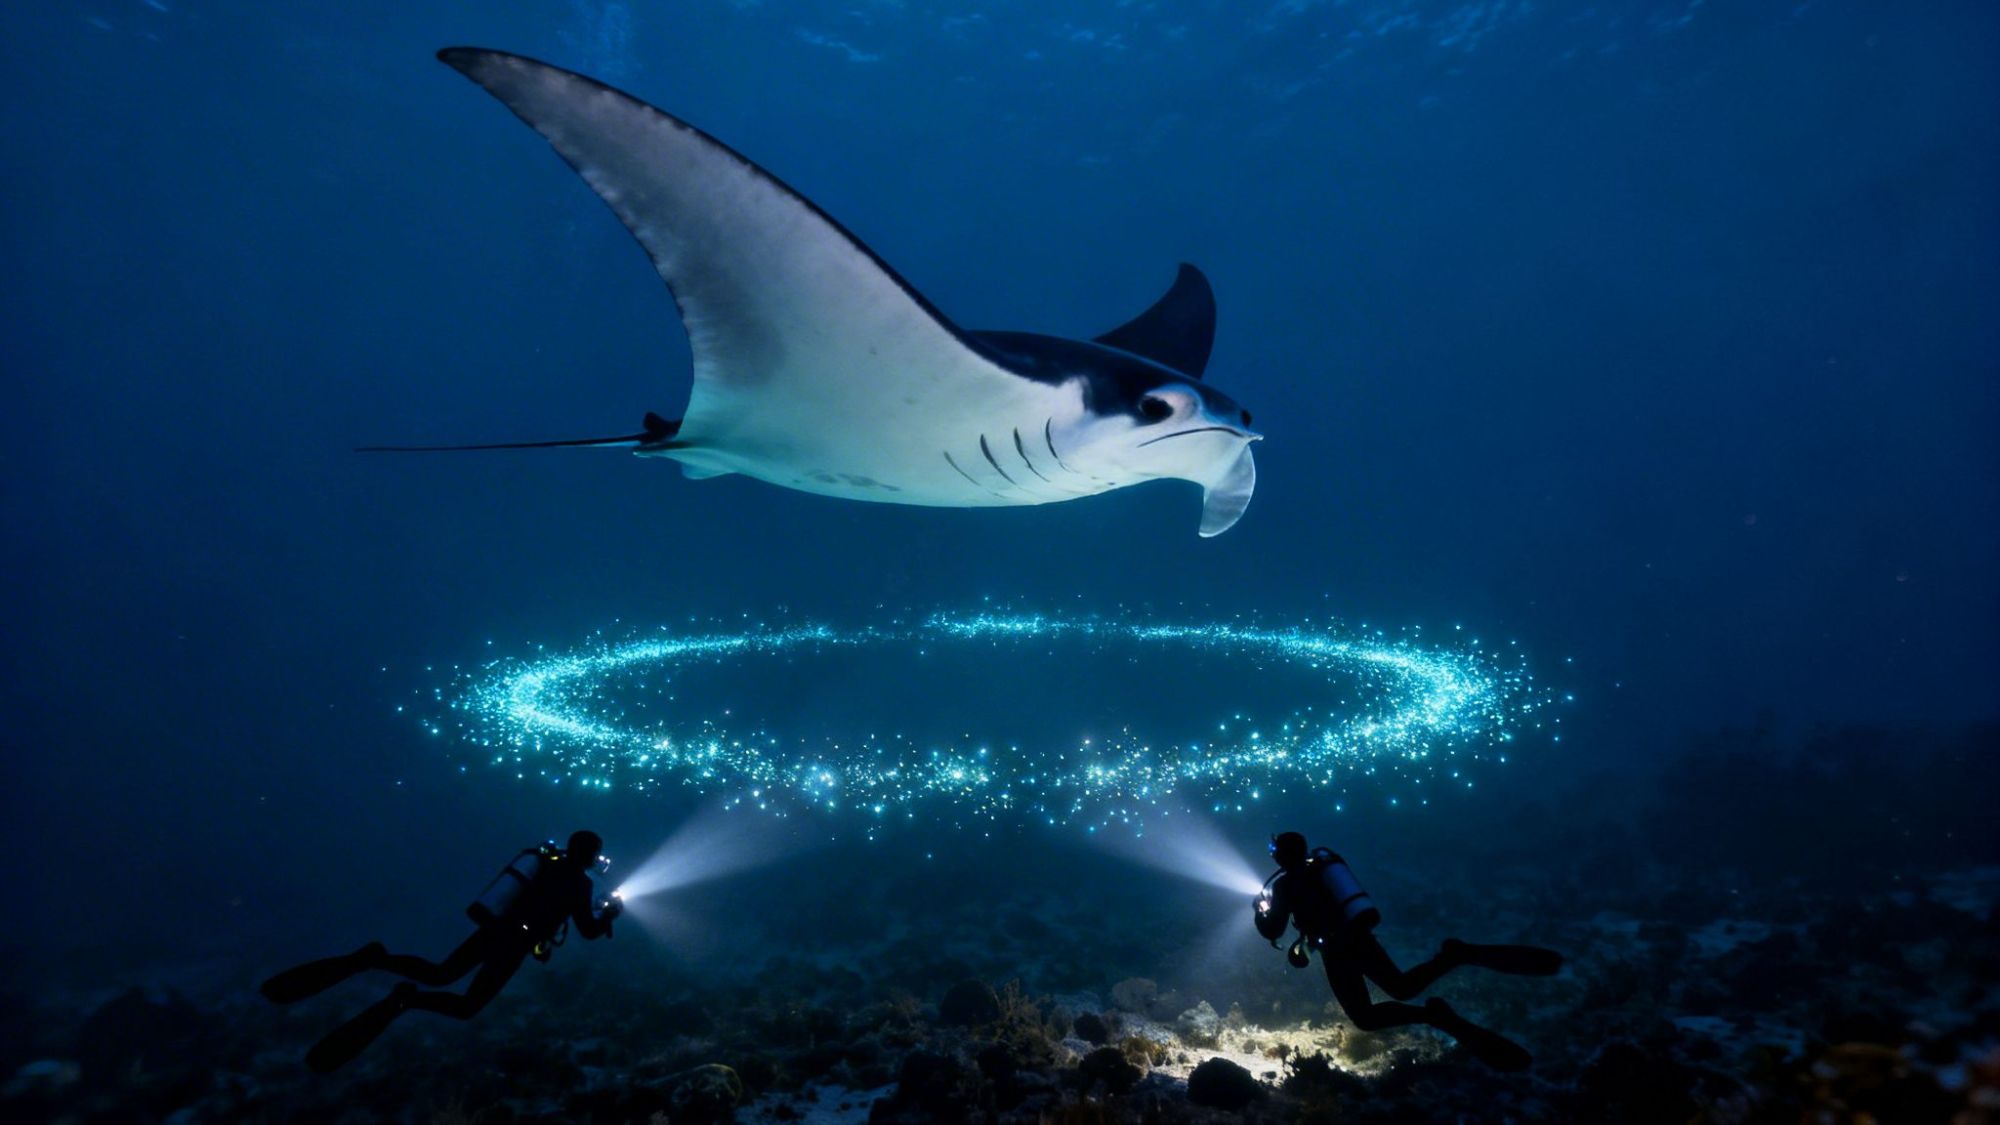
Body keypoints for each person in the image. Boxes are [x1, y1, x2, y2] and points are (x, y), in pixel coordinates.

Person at [260, 830, 624, 1072]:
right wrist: (609, 914)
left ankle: (375, 959)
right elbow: (588, 932)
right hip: (512, 946)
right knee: (466, 1006)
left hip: (494, 930)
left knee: (440, 973)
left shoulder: (547, 864)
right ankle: (405, 1000)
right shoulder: (578, 884)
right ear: (591, 855)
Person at [1254, 831, 1561, 1071]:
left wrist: (1260, 911)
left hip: (1337, 952)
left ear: (1281, 856)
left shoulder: (1284, 887)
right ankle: (1454, 957)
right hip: (1359, 939)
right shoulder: (1322, 868)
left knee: (1366, 1017)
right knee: (1402, 987)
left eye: (1275, 852)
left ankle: (1434, 1012)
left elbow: (1273, 930)